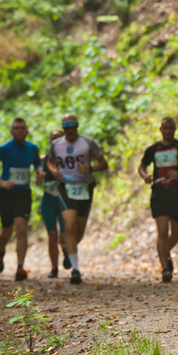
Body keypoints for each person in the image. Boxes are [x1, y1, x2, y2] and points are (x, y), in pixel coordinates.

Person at [47, 114, 109, 284]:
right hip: (65, 187)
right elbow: (50, 162)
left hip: (85, 188)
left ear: (77, 126)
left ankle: (68, 250)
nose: (69, 130)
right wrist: (53, 171)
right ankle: (75, 270)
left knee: (78, 231)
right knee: (69, 226)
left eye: (72, 126)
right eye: (66, 126)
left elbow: (104, 164)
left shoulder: (88, 143)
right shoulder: (56, 145)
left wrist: (90, 168)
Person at [138, 117, 178, 283]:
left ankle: (164, 253)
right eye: (165, 128)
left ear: (175, 129)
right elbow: (142, 166)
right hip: (159, 194)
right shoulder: (153, 149)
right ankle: (165, 268)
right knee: (163, 231)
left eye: (171, 128)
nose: (168, 131)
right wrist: (145, 176)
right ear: (160, 129)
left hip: (177, 194)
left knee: (176, 234)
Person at [0, 118, 44, 281]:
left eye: (22, 128)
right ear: (11, 131)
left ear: (26, 131)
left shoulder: (32, 148)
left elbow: (37, 162)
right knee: (7, 230)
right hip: (6, 195)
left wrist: (39, 171)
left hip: (23, 194)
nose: (19, 130)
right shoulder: (5, 149)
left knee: (22, 227)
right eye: (16, 128)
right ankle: (1, 252)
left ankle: (20, 267)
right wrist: (1, 182)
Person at [39, 129, 68, 279]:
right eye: (54, 138)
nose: (56, 141)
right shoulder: (43, 160)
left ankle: (65, 250)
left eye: (59, 138)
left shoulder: (69, 158)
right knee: (51, 235)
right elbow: (37, 181)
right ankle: (54, 268)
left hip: (63, 202)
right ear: (50, 142)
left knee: (63, 236)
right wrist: (39, 177)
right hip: (48, 201)